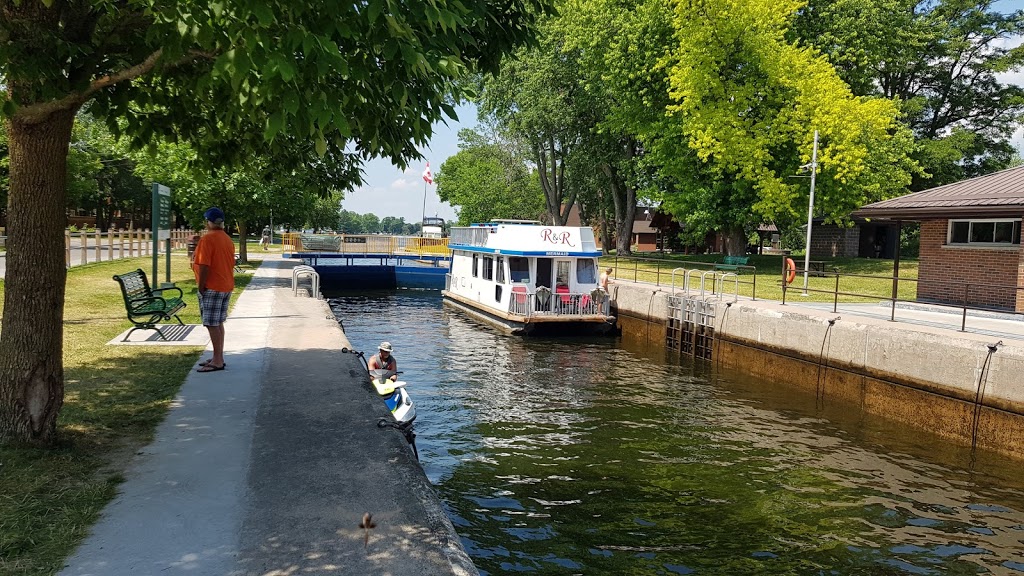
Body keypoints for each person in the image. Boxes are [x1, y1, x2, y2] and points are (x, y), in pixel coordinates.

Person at [194, 207, 235, 372]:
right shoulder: (226, 238)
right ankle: (218, 356)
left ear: (208, 222)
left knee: (211, 323)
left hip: (212, 286)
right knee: (218, 323)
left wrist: (201, 285)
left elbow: (204, 265)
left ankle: (217, 360)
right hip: (226, 285)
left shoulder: (208, 239)